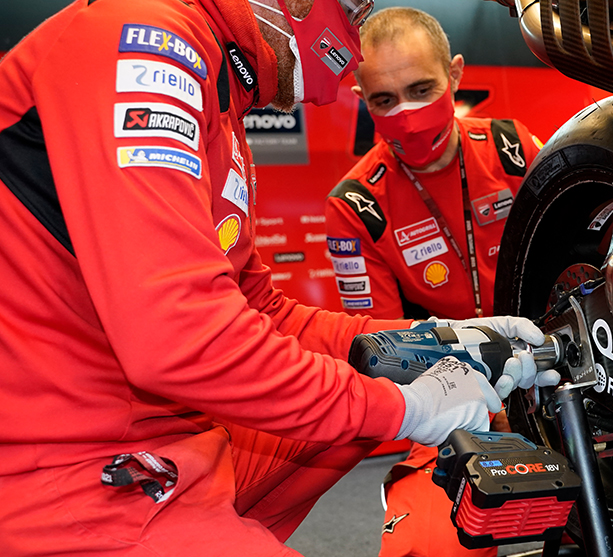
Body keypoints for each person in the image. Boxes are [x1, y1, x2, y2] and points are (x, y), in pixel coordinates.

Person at [0, 0, 554, 555]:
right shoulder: (147, 40)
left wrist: (446, 343)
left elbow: (264, 312)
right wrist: (404, 408)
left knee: (358, 391)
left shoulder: (223, 100)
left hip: (155, 432)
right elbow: (180, 335)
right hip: (64, 473)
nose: (353, 51)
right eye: (354, 19)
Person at [323, 8, 556, 556]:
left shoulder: (513, 149)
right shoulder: (358, 206)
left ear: (454, 75)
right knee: (424, 548)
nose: (405, 113)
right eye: (384, 99)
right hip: (452, 402)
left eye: (421, 88)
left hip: (554, 379)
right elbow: (379, 345)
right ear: (361, 97)